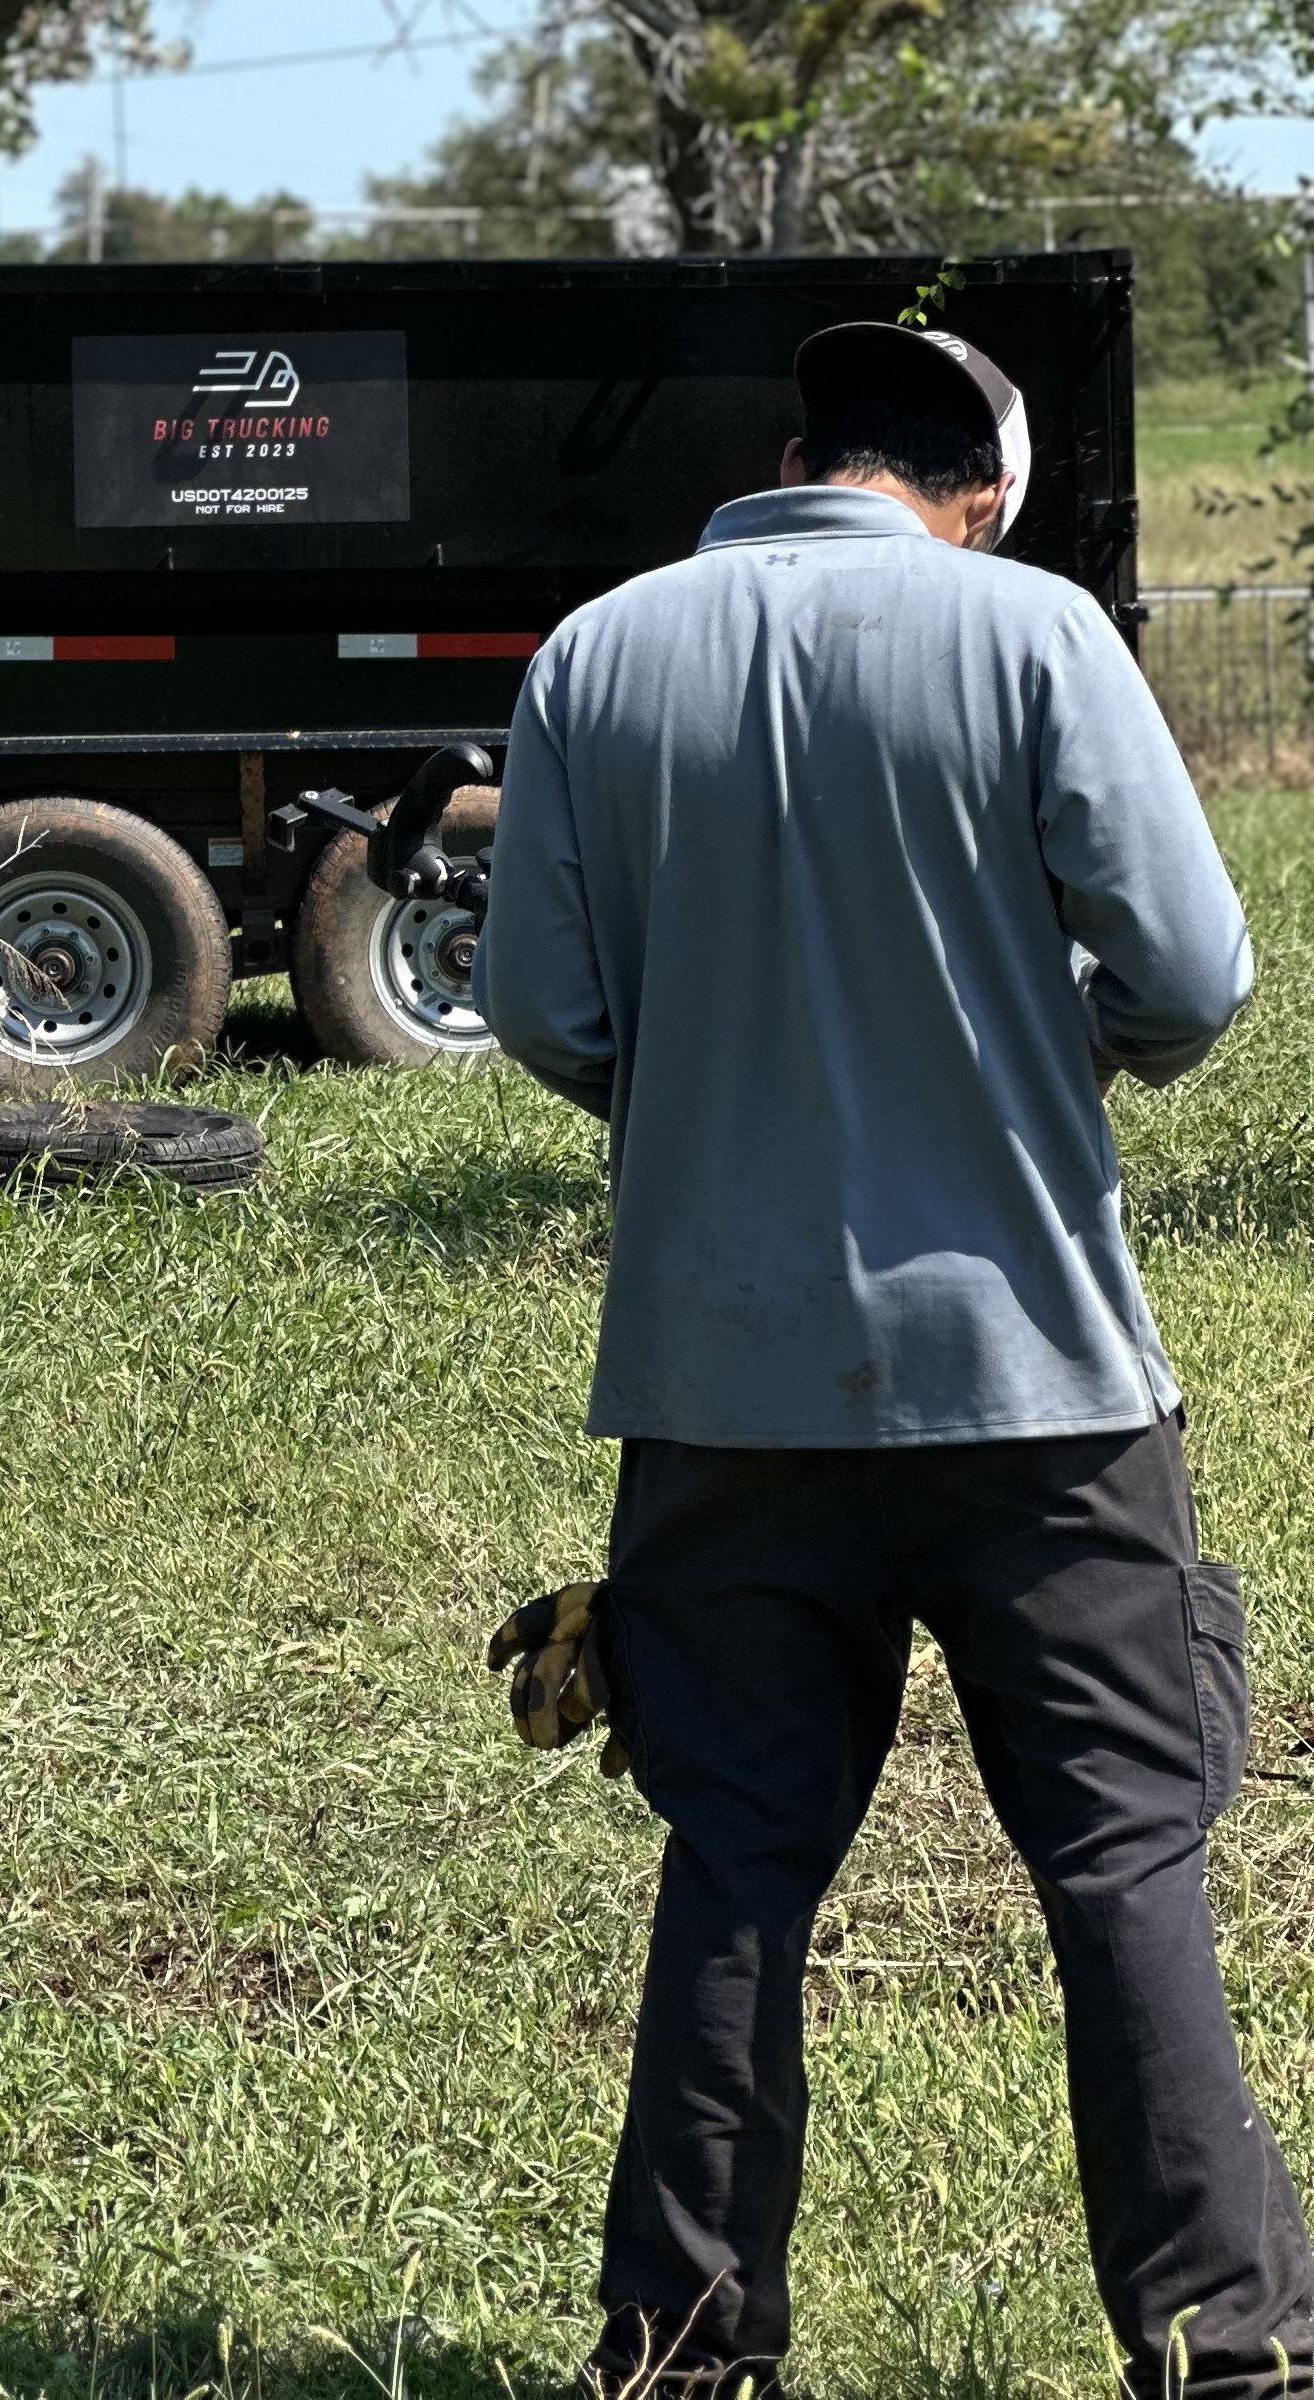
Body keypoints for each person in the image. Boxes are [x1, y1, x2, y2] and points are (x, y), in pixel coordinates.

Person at [474, 313, 1308, 2400]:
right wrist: (1046, 1058)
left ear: (792, 455)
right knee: (1123, 1859)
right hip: (1040, 1378)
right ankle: (1230, 2351)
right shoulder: (1032, 638)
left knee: (737, 1862)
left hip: (720, 1385)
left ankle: (680, 2351)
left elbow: (547, 1015)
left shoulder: (597, 656)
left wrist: (709, 1118)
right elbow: (1196, 979)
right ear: (988, 490)